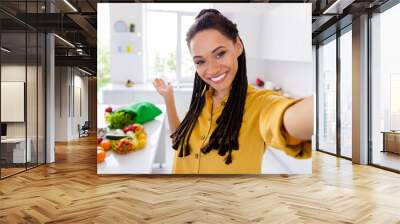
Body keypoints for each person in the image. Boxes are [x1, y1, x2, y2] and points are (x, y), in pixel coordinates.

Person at [153, 9, 313, 174]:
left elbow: (291, 118)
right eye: (200, 61)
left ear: (237, 46)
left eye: (220, 54)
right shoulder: (202, 99)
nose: (212, 69)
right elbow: (180, 141)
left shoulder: (259, 103)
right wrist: (168, 98)